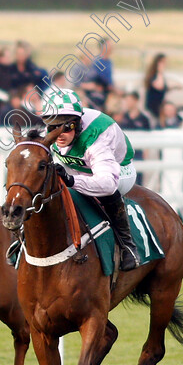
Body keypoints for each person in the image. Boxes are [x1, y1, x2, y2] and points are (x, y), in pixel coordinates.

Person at [43, 89, 140, 271]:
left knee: (105, 192)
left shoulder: (96, 137)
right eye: (52, 127)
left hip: (118, 171)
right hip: (78, 167)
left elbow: (107, 184)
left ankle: (128, 246)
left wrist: (72, 181)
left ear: (78, 123)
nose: (59, 134)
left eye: (66, 127)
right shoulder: (51, 132)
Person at [144, 53, 177, 119]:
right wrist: (160, 71)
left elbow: (163, 88)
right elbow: (159, 87)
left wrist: (174, 87)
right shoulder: (155, 76)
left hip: (159, 107)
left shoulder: (158, 76)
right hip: (153, 108)